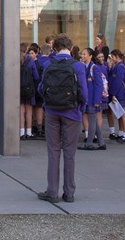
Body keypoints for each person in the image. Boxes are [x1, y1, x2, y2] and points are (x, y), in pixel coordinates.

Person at [37, 33, 87, 203]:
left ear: (55, 48)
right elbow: (84, 92)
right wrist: (80, 108)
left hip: (52, 111)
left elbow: (41, 88)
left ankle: (52, 191)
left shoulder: (48, 63)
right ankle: (69, 192)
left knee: (53, 151)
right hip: (72, 112)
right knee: (70, 153)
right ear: (70, 48)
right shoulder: (78, 66)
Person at [79, 47, 106, 151]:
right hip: (87, 99)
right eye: (82, 54)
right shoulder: (84, 67)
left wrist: (96, 101)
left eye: (85, 54)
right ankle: (101, 143)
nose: (82, 56)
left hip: (92, 100)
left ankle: (89, 143)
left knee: (91, 121)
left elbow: (99, 86)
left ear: (90, 56)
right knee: (93, 121)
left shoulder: (94, 68)